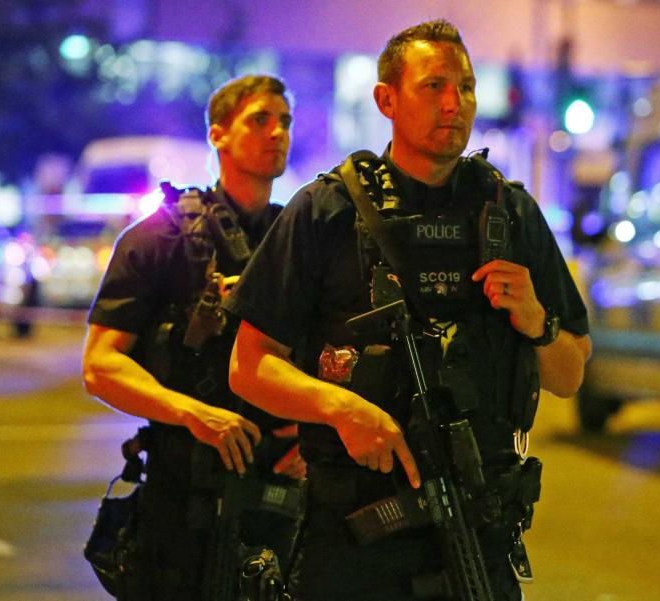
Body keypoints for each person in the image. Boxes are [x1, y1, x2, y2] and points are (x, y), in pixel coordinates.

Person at [227, 20, 591, 601]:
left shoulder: (511, 214)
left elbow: (570, 376)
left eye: (467, 87)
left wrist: (538, 323)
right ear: (386, 99)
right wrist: (343, 409)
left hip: (477, 540)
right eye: (434, 86)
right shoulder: (326, 210)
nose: (455, 103)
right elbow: (248, 366)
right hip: (354, 548)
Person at [82, 74, 303, 600]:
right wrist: (192, 414)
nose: (277, 133)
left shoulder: (299, 239)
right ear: (219, 134)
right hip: (182, 501)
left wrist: (312, 437)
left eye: (285, 121)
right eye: (260, 119)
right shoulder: (160, 239)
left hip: (276, 498)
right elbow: (100, 366)